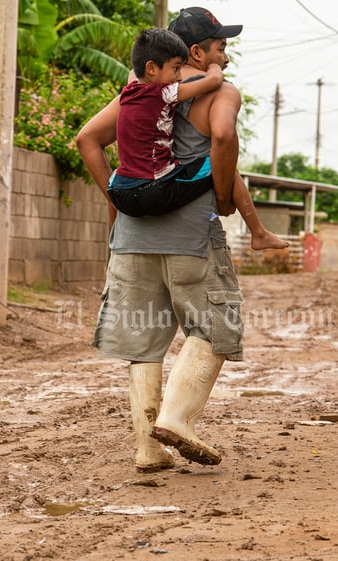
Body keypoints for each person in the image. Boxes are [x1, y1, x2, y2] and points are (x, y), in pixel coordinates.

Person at [77, 6, 252, 472]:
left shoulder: (139, 91)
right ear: (197, 51)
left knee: (143, 340)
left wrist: (116, 199)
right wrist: (222, 197)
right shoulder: (221, 91)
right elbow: (223, 135)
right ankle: (176, 418)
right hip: (190, 234)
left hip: (132, 236)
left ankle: (147, 448)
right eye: (219, 47)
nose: (226, 57)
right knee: (215, 324)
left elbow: (87, 139)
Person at [111, 28, 288, 251]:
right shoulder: (164, 92)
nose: (178, 76)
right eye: (176, 68)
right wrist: (213, 67)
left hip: (121, 193)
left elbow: (87, 139)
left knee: (116, 173)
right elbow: (213, 83)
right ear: (151, 68)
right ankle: (259, 232)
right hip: (157, 188)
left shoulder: (128, 91)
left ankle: (113, 234)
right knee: (221, 164)